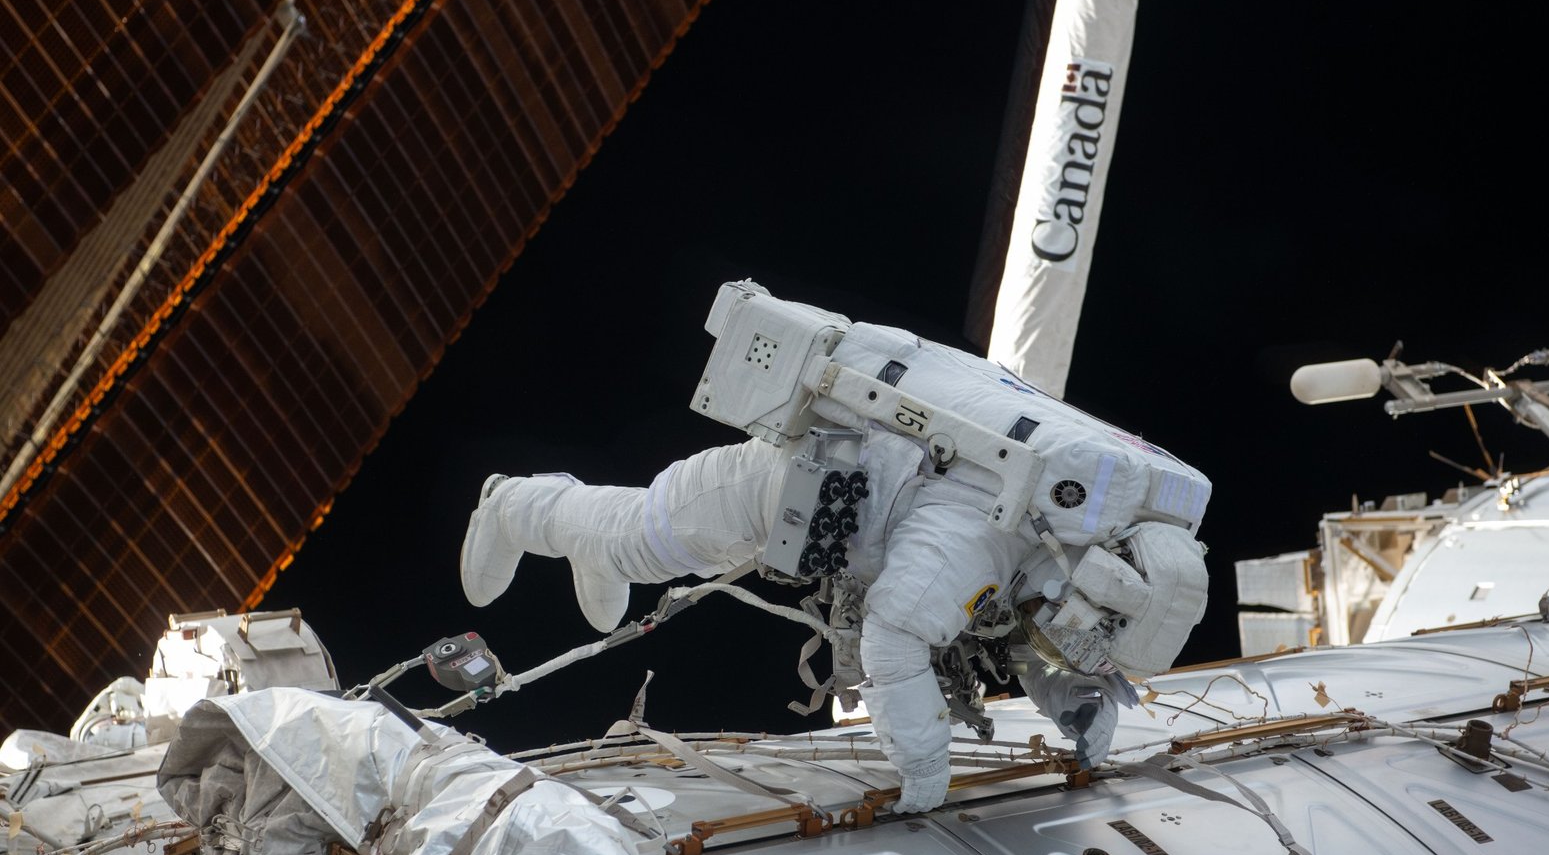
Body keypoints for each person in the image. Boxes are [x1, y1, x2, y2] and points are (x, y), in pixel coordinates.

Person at [460, 284, 1209, 813]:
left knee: (640, 549)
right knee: (638, 539)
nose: (1081, 650)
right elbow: (893, 641)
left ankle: (593, 551)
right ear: (1091, 590)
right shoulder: (980, 539)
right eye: (1095, 644)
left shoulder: (1056, 544)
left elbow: (1027, 640)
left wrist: (1083, 706)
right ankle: (517, 503)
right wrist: (924, 771)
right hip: (763, 488)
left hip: (849, 496)